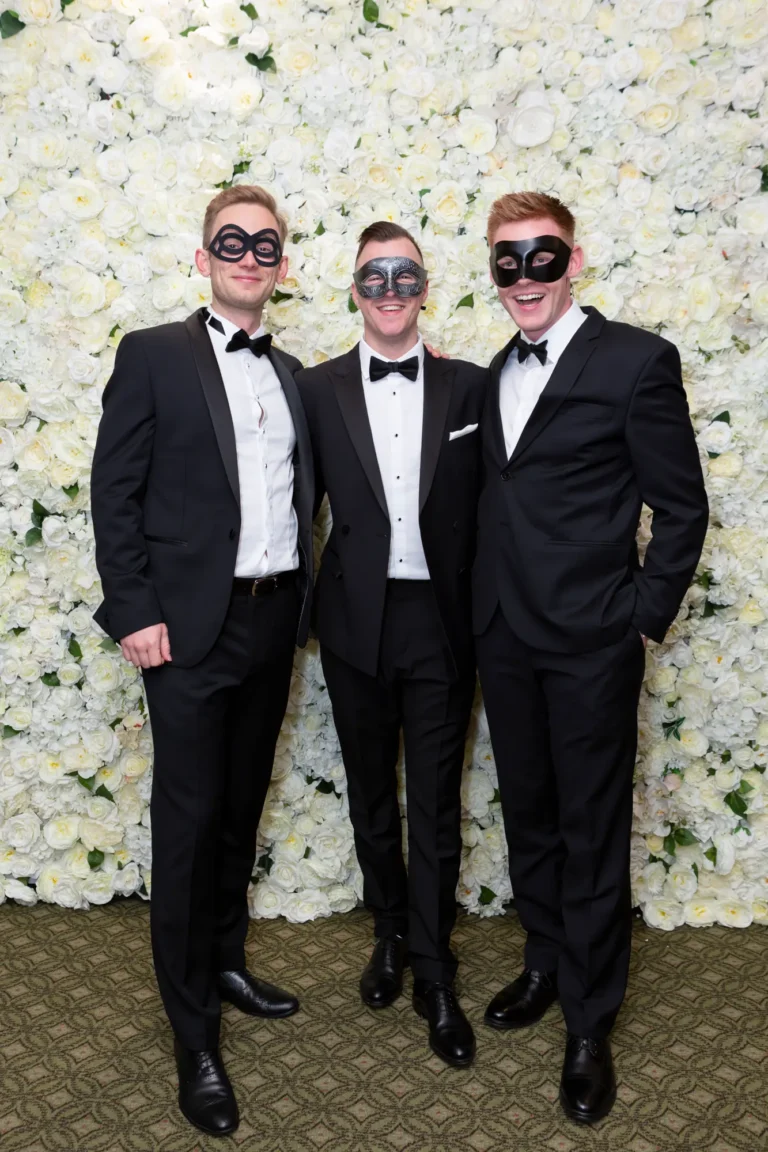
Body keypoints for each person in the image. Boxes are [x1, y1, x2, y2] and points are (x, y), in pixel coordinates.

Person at [473, 192, 708, 1123]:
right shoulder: (494, 370)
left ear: (575, 261)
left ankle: (588, 1021)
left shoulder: (636, 360)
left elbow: (681, 508)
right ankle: (541, 962)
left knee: (592, 827)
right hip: (505, 636)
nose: (524, 276)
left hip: (591, 641)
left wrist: (639, 619)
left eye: (541, 256)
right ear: (492, 272)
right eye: (506, 260)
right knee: (529, 814)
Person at [90, 186, 314, 1138]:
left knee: (237, 807)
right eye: (233, 241)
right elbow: (115, 490)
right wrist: (134, 610)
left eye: (265, 245)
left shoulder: (294, 371)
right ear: (203, 256)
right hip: (183, 630)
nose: (249, 256)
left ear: (283, 265)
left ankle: (225, 958)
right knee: (185, 825)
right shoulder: (152, 354)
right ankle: (195, 1034)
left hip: (272, 621)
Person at [295, 222, 487, 1067]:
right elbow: (288, 503)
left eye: (404, 273)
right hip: (354, 623)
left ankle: (436, 971)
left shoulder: (471, 387)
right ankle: (388, 932)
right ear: (353, 289)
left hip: (443, 624)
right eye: (374, 275)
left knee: (435, 804)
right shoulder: (314, 386)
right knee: (372, 794)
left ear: (424, 285)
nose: (390, 288)